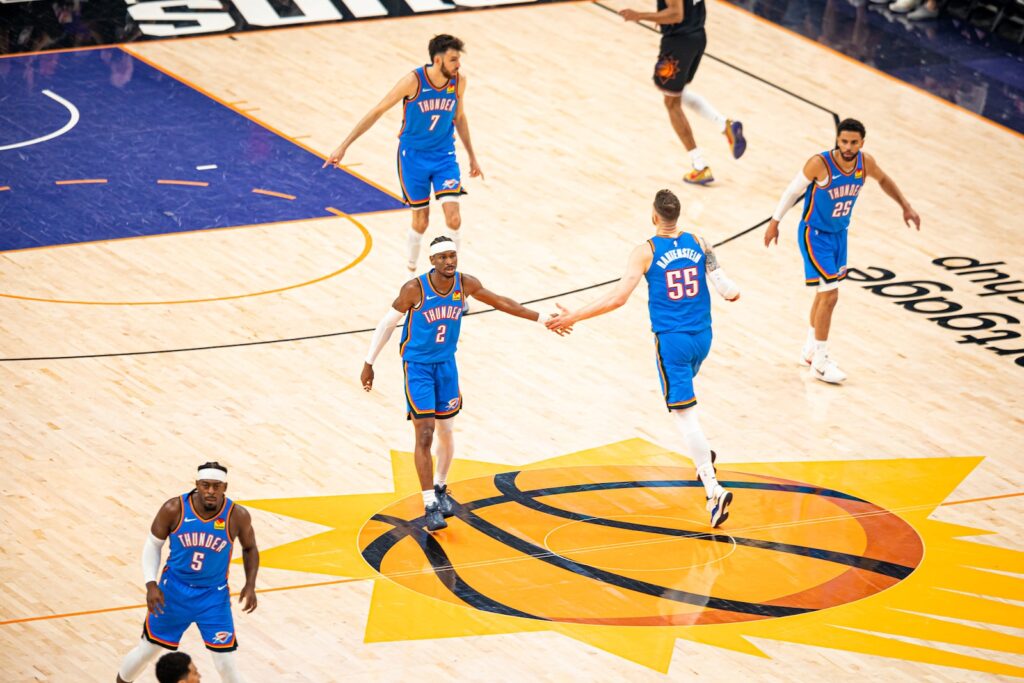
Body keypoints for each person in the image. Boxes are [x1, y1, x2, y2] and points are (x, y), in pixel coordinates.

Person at [547, 189, 739, 527]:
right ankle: (703, 454)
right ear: (677, 214)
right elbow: (728, 289)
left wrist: (574, 315)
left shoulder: (645, 252)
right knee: (686, 396)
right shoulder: (699, 241)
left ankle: (712, 488)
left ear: (654, 216)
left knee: (684, 415)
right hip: (704, 337)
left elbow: (618, 298)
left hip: (672, 342)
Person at [361, 237, 565, 531]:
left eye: (452, 256)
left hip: (446, 365)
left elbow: (502, 302)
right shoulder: (414, 289)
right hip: (417, 368)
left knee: (446, 430)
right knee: (425, 433)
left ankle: (440, 487)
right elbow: (387, 324)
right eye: (443, 257)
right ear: (432, 261)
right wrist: (369, 362)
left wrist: (543, 318)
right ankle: (430, 504)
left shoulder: (465, 283)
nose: (449, 261)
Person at [764, 118, 921, 384]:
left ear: (862, 143)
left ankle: (810, 350)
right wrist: (774, 222)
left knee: (823, 293)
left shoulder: (865, 163)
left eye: (853, 142)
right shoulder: (820, 163)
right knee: (831, 295)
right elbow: (792, 191)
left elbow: (884, 180)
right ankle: (821, 363)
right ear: (837, 140)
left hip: (839, 235)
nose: (848, 147)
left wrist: (905, 205)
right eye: (844, 141)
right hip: (815, 235)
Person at [324, 34, 482, 275]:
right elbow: (377, 110)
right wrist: (344, 146)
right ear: (438, 60)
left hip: (444, 156)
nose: (458, 65)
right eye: (453, 59)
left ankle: (451, 276)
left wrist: (472, 156)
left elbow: (459, 117)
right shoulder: (413, 81)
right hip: (413, 158)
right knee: (421, 221)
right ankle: (411, 272)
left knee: (454, 218)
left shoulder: (459, 82)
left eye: (458, 59)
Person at [115, 462, 259, 683]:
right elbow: (153, 545)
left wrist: (250, 584)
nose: (210, 491)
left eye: (216, 486)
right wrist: (151, 584)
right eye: (205, 485)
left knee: (225, 663)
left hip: (213, 596)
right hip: (173, 591)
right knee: (148, 650)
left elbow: (250, 548)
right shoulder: (174, 509)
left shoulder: (237, 515)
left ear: (225, 487)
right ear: (197, 485)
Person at [618, 0, 746, 185]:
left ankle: (700, 166)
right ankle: (724, 125)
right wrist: (662, 18)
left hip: (679, 42)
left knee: (671, 103)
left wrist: (639, 15)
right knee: (677, 92)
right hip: (697, 36)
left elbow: (676, 14)